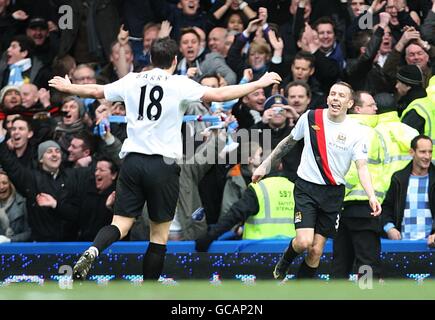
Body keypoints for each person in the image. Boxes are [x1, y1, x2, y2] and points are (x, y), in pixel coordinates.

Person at [48, 37, 282, 281]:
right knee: (158, 237)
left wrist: (69, 87)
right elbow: (220, 94)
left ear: (150, 59)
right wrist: (259, 82)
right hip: (163, 165)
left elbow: (97, 91)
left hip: (132, 162)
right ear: (175, 60)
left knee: (120, 224)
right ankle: (150, 290)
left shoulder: (132, 80)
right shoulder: (179, 83)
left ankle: (94, 249)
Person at [252, 81, 382, 280]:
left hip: (333, 193)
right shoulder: (312, 117)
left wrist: (371, 196)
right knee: (304, 242)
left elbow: (362, 166)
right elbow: (289, 142)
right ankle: (286, 260)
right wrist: (265, 165)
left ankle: (301, 290)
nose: (335, 98)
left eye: (341, 96)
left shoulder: (358, 131)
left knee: (316, 251)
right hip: (306, 188)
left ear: (349, 103)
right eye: (332, 94)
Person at [382, 135, 435, 247]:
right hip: (402, 245)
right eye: (423, 152)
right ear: (412, 152)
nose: (427, 156)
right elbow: (386, 208)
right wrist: (389, 228)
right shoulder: (399, 179)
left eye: (430, 152)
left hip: (431, 247)